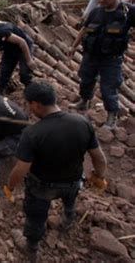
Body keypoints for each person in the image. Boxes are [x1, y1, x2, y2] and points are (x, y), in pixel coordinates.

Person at [7, 81, 107, 262]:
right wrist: (99, 176)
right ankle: (67, 221)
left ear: (36, 104)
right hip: (73, 182)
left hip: (42, 187)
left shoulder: (32, 133)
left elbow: (21, 168)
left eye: (29, 104)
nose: (29, 109)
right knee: (70, 202)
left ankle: (31, 248)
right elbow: (99, 158)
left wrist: (10, 187)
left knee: (36, 217)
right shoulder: (82, 122)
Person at [68, 0, 135, 127]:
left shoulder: (128, 12)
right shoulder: (96, 12)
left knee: (108, 87)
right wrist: (73, 47)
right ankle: (84, 102)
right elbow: (84, 30)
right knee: (85, 79)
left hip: (111, 58)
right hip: (91, 55)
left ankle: (111, 116)